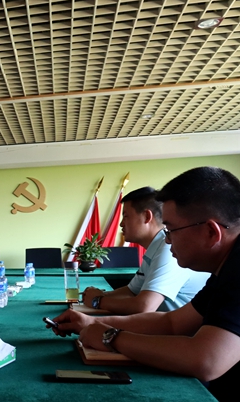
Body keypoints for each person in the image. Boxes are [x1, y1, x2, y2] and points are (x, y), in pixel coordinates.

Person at [50, 167, 240, 402]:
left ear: (211, 232)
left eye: (171, 230)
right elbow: (172, 323)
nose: (167, 240)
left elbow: (206, 360)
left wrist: (111, 337)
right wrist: (92, 322)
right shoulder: (225, 268)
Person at [82, 187, 210, 314]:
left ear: (147, 216)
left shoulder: (168, 249)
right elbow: (131, 291)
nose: (121, 224)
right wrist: (102, 295)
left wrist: (98, 301)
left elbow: (145, 307)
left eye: (126, 216)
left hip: (186, 326)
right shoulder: (155, 247)